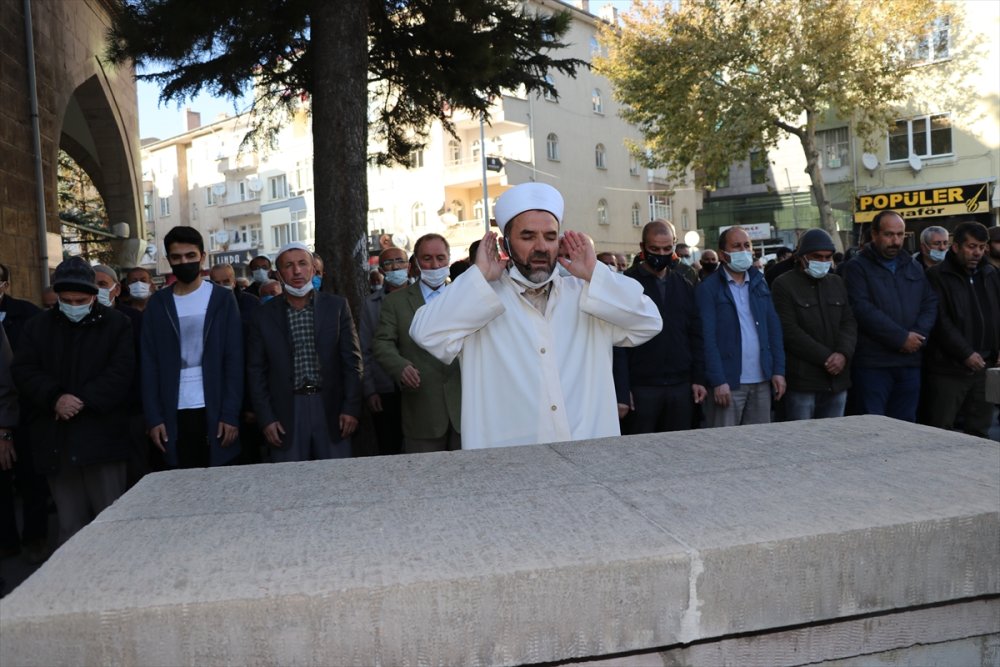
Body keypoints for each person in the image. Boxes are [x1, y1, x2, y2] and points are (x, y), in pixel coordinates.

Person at [410, 182, 662, 449]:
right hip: (509, 462)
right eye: (528, 237)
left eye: (550, 237)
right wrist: (479, 278)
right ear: (505, 243)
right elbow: (425, 333)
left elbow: (648, 321)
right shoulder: (479, 299)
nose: (541, 247)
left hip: (588, 454)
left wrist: (594, 273)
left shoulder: (586, 294)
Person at [11, 257, 134, 545]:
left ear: (94, 296)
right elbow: (24, 370)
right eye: (67, 300)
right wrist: (55, 397)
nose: (74, 306)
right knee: (70, 526)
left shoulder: (117, 324)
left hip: (102, 438)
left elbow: (121, 372)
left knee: (111, 522)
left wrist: (82, 400)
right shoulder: (37, 327)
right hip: (58, 440)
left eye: (82, 300)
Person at [246, 242, 363, 462]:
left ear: (312, 268)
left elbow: (352, 362)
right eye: (288, 266)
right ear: (279, 273)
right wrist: (267, 418)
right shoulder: (263, 315)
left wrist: (351, 408)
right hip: (287, 409)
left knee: (337, 479)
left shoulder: (336, 307)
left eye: (302, 264)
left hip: (330, 407)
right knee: (289, 484)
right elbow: (256, 371)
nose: (297, 271)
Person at [141, 226, 244, 468]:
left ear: (202, 257)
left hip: (213, 405)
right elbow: (149, 364)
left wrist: (230, 413)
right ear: (168, 260)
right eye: (176, 258)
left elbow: (234, 360)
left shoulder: (222, 299)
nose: (184, 262)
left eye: (190, 256)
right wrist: (154, 417)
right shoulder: (157, 304)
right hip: (173, 408)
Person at [842, 210, 937, 422]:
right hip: (874, 365)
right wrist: (900, 338)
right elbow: (861, 309)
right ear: (874, 235)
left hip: (909, 362)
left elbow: (929, 303)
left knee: (906, 428)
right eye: (889, 234)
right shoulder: (857, 267)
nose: (895, 241)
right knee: (873, 427)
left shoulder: (913, 266)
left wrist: (918, 335)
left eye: (900, 234)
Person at [615, 221, 705, 433]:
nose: (661, 254)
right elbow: (617, 341)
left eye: (667, 249)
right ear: (643, 247)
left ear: (674, 245)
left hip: (681, 386)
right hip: (641, 388)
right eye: (654, 249)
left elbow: (695, 335)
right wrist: (622, 390)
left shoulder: (684, 284)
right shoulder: (626, 284)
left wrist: (698, 379)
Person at [375, 235, 462, 453]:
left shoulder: (463, 296)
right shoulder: (395, 302)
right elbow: (382, 343)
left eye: (441, 258)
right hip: (422, 412)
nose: (435, 265)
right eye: (427, 258)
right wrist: (399, 367)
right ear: (416, 262)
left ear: (449, 259)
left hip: (465, 409)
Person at [696, 226, 786, 427]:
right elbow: (707, 338)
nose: (743, 251)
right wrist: (718, 380)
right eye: (736, 246)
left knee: (759, 446)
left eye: (747, 246)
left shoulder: (759, 283)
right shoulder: (708, 289)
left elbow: (774, 330)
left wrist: (778, 371)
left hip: (762, 380)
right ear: (723, 254)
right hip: (729, 383)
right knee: (727, 447)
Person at [923, 221, 1000, 437]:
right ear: (956, 247)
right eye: (972, 246)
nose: (977, 252)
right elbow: (940, 321)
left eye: (982, 247)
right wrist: (965, 353)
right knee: (940, 430)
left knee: (980, 431)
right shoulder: (937, 276)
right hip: (949, 369)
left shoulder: (990, 273)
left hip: (986, 365)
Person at [771, 229, 857, 420]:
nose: (823, 262)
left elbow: (848, 322)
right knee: (802, 441)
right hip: (804, 381)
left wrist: (843, 353)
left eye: (828, 257)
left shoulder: (837, 282)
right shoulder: (784, 285)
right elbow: (789, 331)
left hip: (837, 379)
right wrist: (827, 358)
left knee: (834, 439)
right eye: (817, 257)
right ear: (801, 257)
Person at [0, 263, 49, 563]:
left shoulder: (28, 315)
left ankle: (36, 537)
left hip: (28, 410)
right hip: (4, 413)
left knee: (31, 478)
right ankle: (7, 540)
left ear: (5, 284)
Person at [360, 247, 410, 456]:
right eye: (389, 263)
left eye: (400, 261)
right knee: (389, 446)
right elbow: (365, 350)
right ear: (381, 269)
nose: (395, 266)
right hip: (386, 388)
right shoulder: (370, 305)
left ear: (408, 265)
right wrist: (370, 390)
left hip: (419, 388)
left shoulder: (421, 298)